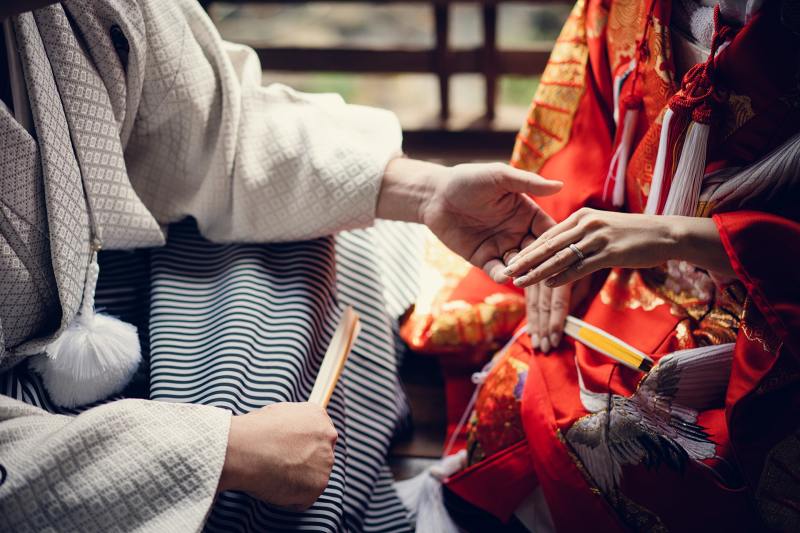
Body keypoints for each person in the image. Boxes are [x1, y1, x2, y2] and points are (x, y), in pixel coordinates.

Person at [0, 1, 564, 531]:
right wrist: (219, 451)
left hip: (83, 279)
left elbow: (219, 131)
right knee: (248, 491)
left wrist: (423, 192)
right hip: (31, 440)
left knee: (326, 242)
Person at [419, 0, 799, 531]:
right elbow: (589, 133)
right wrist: (565, 226)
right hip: (631, 257)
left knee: (643, 448)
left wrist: (691, 237)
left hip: (766, 298)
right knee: (516, 383)